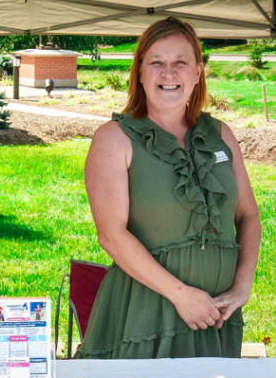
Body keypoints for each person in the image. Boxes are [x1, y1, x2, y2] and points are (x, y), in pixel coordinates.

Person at [77, 18, 261, 359]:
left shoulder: (221, 134)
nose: (168, 74)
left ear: (198, 72)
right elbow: (111, 236)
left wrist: (242, 286)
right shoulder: (114, 139)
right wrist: (181, 295)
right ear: (140, 72)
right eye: (156, 63)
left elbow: (248, 215)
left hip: (217, 316)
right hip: (146, 314)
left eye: (180, 63)